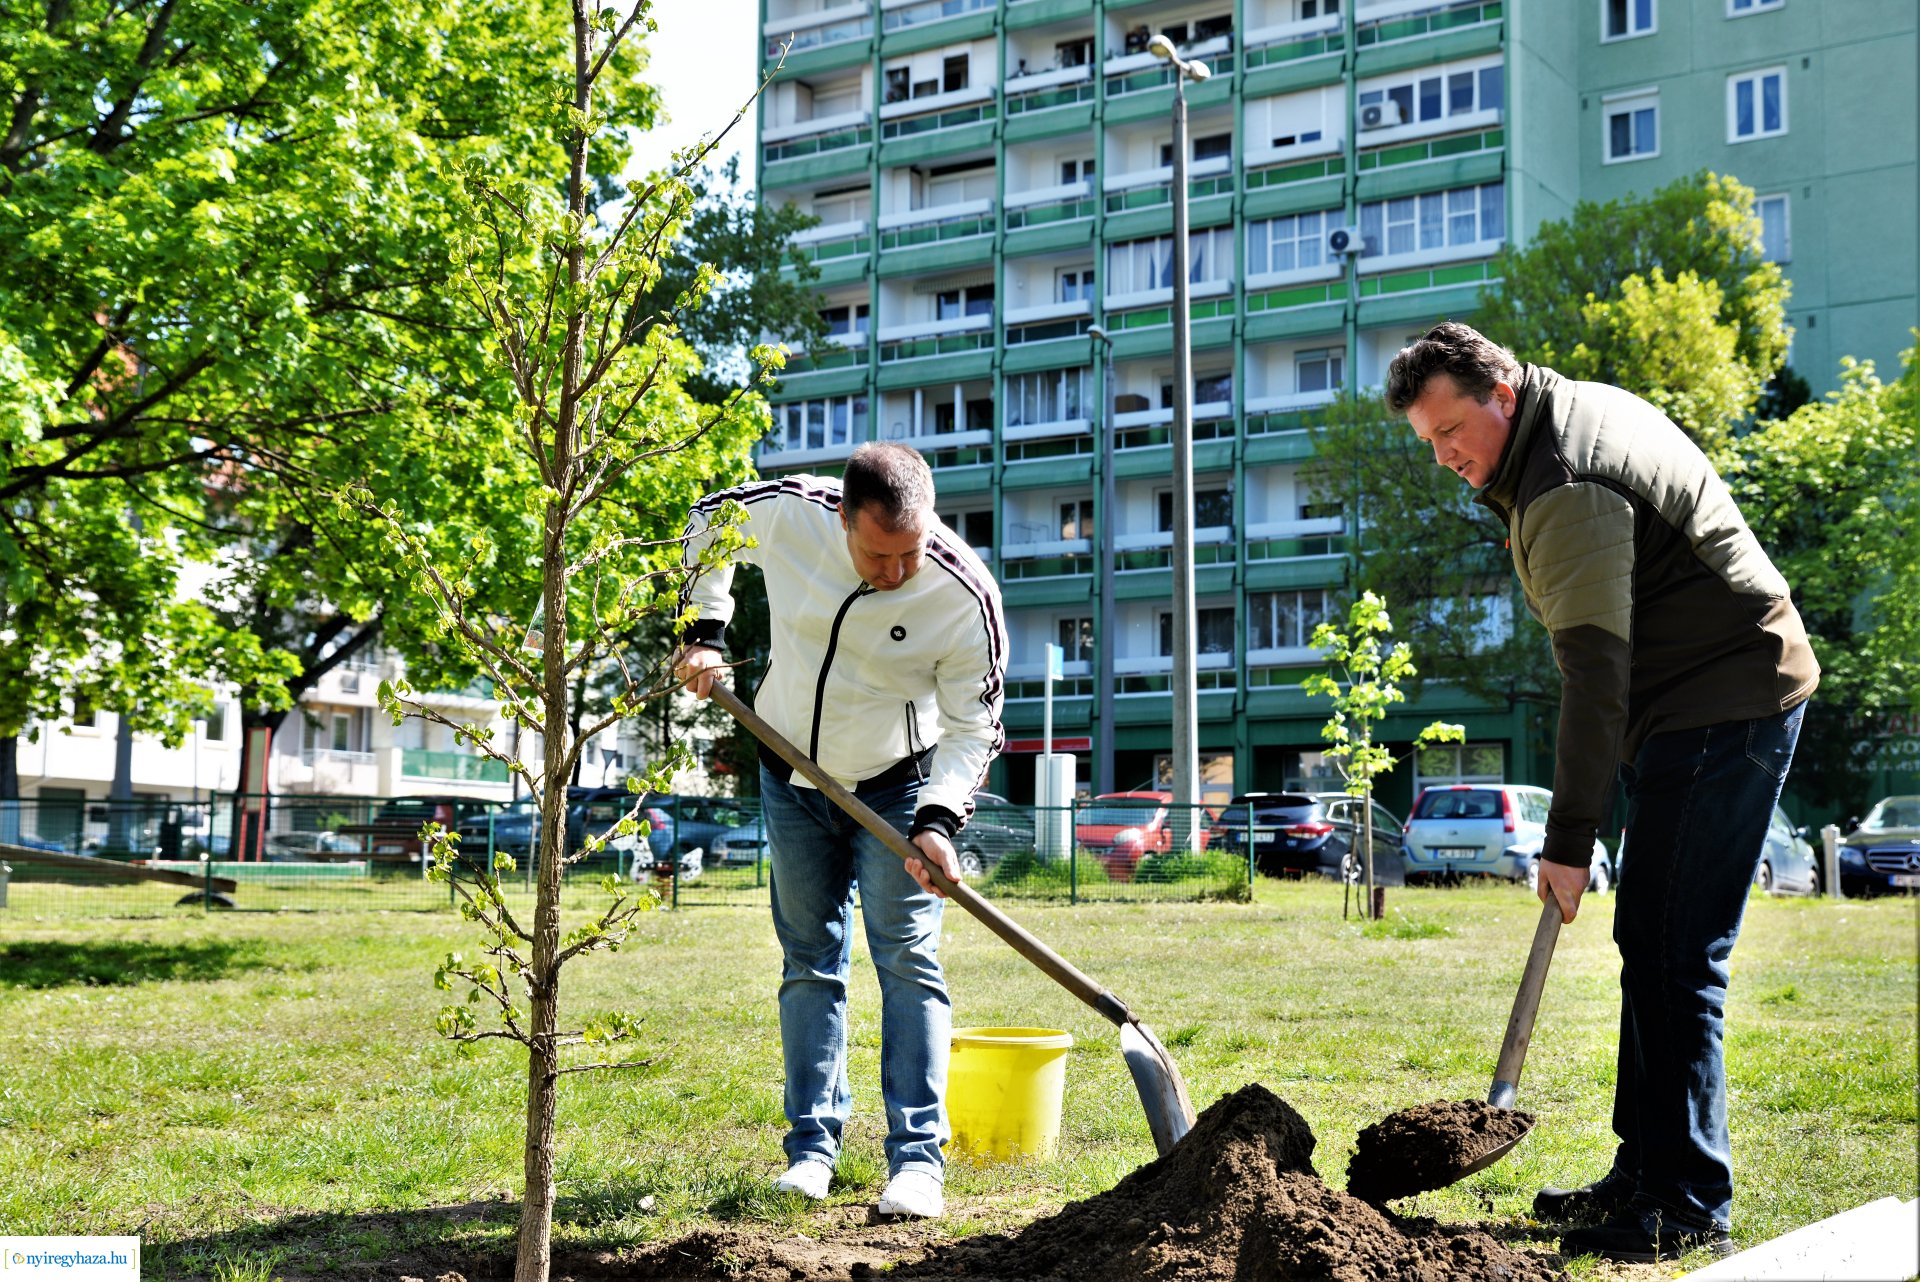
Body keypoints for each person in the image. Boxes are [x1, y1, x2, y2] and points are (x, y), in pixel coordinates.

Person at [1386, 322, 1818, 1264]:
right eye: (1428, 440)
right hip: (1687, 702)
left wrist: (1569, 840)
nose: (1444, 456)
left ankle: (1686, 1200)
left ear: (1502, 394)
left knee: (1674, 954)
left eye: (1451, 430)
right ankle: (1645, 1169)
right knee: (1649, 943)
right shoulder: (1559, 422)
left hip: (1724, 699)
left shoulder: (1566, 482)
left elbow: (1593, 680)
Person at [673, 442, 1007, 1221]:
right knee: (810, 963)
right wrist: (704, 629)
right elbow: (708, 518)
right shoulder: (794, 513)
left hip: (898, 786)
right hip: (788, 771)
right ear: (845, 521)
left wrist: (938, 820)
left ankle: (917, 1161)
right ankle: (811, 1150)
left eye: (911, 551)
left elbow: (974, 729)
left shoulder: (963, 595)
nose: (897, 572)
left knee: (908, 960)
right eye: (878, 554)